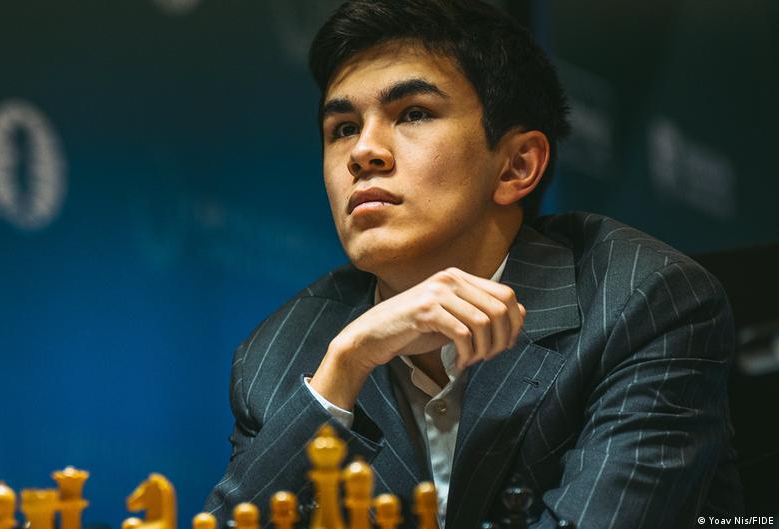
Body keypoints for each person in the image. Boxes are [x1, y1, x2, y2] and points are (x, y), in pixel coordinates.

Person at [204, 1, 743, 527]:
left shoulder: (642, 304)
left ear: (516, 166)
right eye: (343, 127)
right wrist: (346, 366)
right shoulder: (279, 358)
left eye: (413, 114)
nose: (363, 152)